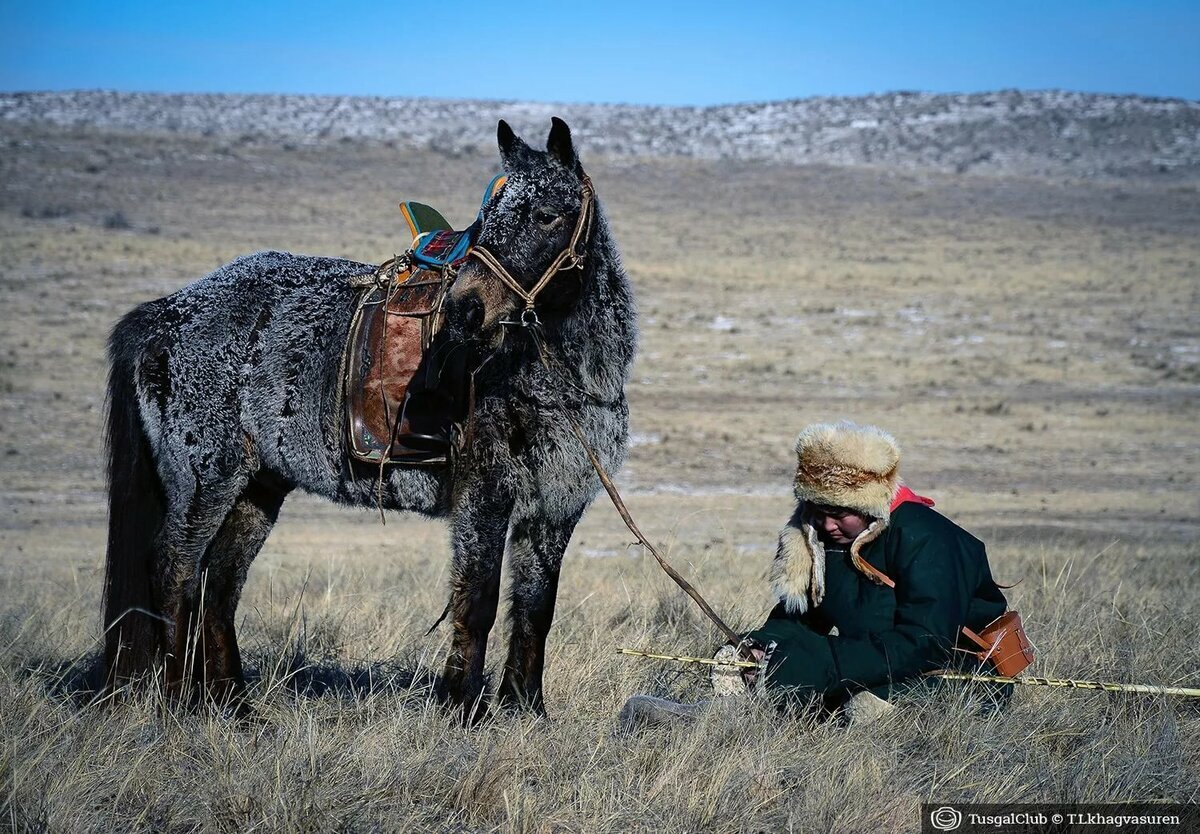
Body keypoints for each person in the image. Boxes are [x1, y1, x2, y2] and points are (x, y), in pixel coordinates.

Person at [619, 420, 1011, 730]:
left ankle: (728, 722)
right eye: (817, 510)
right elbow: (802, 622)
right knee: (810, 681)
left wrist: (825, 663)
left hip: (959, 677)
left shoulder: (930, 539)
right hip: (879, 662)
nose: (826, 524)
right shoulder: (818, 540)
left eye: (839, 512)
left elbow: (927, 642)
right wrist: (759, 647)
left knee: (859, 709)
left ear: (870, 504)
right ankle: (713, 718)